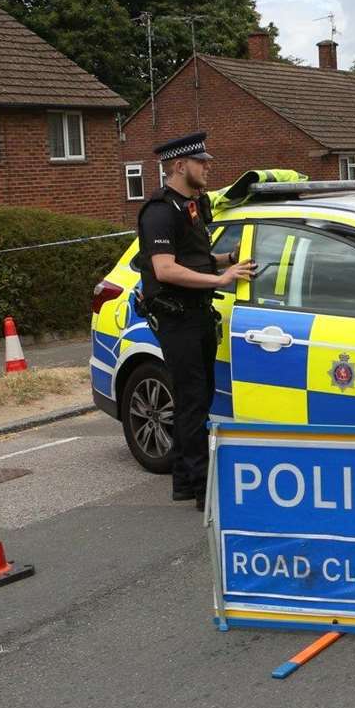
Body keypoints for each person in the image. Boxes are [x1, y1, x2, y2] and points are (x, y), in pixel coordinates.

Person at [135, 132, 255, 509]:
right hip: (177, 319)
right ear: (179, 166)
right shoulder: (159, 211)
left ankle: (185, 481)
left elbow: (193, 257)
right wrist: (221, 280)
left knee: (200, 400)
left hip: (200, 314)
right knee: (190, 402)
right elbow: (166, 269)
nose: (208, 167)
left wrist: (229, 259)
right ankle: (204, 489)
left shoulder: (194, 205)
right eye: (201, 162)